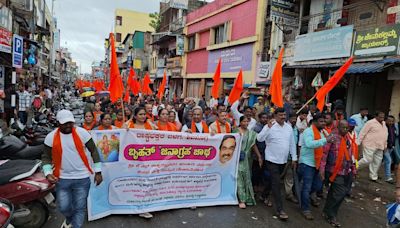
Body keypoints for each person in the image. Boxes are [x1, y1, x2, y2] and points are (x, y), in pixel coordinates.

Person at [42, 110, 103, 228]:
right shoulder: (50, 137)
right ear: (58, 123)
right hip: (62, 178)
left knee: (80, 208)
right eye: (65, 123)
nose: (68, 125)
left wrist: (98, 171)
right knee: (64, 207)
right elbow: (45, 157)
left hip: (82, 177)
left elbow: (94, 151)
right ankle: (69, 219)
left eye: (70, 122)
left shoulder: (83, 133)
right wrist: (48, 173)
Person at [256, 108, 298, 220]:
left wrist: (294, 157)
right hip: (271, 160)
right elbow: (259, 139)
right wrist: (267, 129)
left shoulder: (288, 128)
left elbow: (292, 144)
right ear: (275, 116)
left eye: (284, 115)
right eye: (280, 115)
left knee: (273, 180)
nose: (283, 117)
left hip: (283, 160)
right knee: (276, 183)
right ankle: (280, 210)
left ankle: (264, 195)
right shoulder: (269, 126)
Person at [298, 112, 334, 220]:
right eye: (321, 121)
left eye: (324, 121)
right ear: (314, 122)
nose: (323, 123)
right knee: (307, 186)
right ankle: (305, 209)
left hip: (317, 164)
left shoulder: (322, 132)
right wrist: (325, 140)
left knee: (318, 186)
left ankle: (302, 195)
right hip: (307, 163)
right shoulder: (308, 131)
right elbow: (309, 144)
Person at [320, 120, 356, 227]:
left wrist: (353, 169)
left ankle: (326, 211)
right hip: (334, 171)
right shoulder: (332, 138)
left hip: (346, 171)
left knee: (335, 193)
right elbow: (324, 155)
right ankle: (332, 215)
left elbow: (350, 155)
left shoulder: (348, 139)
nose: (346, 130)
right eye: (343, 128)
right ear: (338, 128)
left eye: (347, 128)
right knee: (339, 193)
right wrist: (322, 170)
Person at [234, 116, 263, 209]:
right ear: (240, 122)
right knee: (238, 177)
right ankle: (241, 200)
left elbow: (253, 145)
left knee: (246, 177)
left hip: (247, 158)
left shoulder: (251, 133)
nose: (246, 123)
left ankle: (247, 197)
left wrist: (259, 157)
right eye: (244, 121)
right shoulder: (235, 131)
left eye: (247, 122)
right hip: (236, 158)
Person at [357, 111, 388, 182]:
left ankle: (373, 177)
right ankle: (353, 168)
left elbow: (385, 135)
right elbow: (362, 133)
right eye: (380, 117)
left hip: (380, 146)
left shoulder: (384, 123)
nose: (382, 118)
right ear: (376, 116)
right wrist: (358, 143)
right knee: (367, 160)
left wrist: (385, 146)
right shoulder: (370, 122)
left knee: (377, 162)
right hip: (369, 144)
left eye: (383, 117)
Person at [284, 113, 299, 204]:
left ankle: (288, 194)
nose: (294, 120)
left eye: (295, 118)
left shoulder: (296, 129)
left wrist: (295, 156)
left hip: (292, 157)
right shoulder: (285, 127)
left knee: (289, 176)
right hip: (283, 156)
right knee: (278, 175)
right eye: (292, 118)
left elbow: (295, 144)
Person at [383, 115, 396, 183]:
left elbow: (393, 137)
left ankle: (374, 174)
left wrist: (393, 145)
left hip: (391, 147)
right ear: (386, 120)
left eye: (392, 121)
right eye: (389, 121)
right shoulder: (384, 127)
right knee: (388, 160)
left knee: (384, 161)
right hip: (385, 147)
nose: (391, 122)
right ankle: (388, 177)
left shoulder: (393, 127)